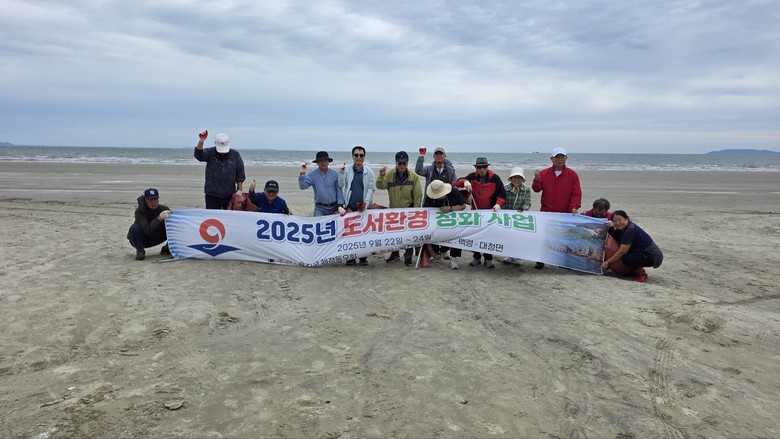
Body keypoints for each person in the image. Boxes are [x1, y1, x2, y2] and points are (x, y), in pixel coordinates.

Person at [531, 147, 582, 268]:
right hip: (547, 211)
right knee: (544, 236)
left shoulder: (572, 175)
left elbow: (576, 193)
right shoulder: (544, 173)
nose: (560, 159)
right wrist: (537, 179)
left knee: (563, 237)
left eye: (562, 157)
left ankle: (562, 261)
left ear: (566, 158)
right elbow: (536, 189)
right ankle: (541, 260)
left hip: (564, 212)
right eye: (557, 157)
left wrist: (574, 207)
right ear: (551, 159)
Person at [455, 157, 506, 268]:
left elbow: (502, 195)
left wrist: (498, 204)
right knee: (475, 235)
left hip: (490, 212)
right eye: (479, 167)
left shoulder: (495, 178)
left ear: (487, 167)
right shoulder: (471, 177)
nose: (482, 169)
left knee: (489, 236)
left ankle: (488, 258)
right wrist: (465, 181)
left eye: (484, 167)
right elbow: (457, 183)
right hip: (475, 212)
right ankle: (476, 257)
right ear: (476, 168)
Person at [376, 150, 423, 266]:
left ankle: (408, 256)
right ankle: (395, 254)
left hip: (409, 211)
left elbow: (418, 195)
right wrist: (381, 175)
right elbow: (380, 186)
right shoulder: (389, 175)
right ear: (396, 163)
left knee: (408, 236)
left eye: (404, 163)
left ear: (407, 163)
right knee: (394, 235)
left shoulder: (413, 177)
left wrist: (416, 211)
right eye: (400, 163)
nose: (402, 165)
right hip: (394, 211)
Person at [416, 146, 457, 259]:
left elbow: (454, 183)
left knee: (445, 227)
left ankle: (444, 250)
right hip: (430, 202)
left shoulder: (450, 170)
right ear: (433, 157)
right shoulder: (429, 169)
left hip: (445, 202)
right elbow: (418, 170)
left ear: (445, 156)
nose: (439, 156)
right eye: (437, 154)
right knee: (431, 227)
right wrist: (421, 156)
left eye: (441, 154)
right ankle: (433, 251)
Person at [599, 210, 663, 282]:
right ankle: (631, 271)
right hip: (639, 252)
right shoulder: (622, 229)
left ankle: (642, 274)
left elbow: (622, 252)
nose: (617, 223)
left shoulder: (630, 231)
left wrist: (607, 262)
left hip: (651, 256)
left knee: (626, 258)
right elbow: (615, 236)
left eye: (619, 220)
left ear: (626, 219)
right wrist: (610, 227)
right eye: (615, 221)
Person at [338, 146, 376, 266]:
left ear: (364, 157)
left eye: (361, 155)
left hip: (363, 207)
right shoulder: (347, 169)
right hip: (350, 206)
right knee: (350, 233)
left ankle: (363, 257)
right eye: (356, 155)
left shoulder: (369, 172)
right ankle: (350, 257)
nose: (358, 157)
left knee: (364, 233)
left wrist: (366, 203)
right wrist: (341, 172)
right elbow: (340, 184)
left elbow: (371, 189)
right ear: (352, 156)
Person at [194, 130, 246, 209]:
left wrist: (240, 190)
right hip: (212, 194)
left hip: (230, 194)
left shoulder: (235, 155)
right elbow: (199, 155)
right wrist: (201, 140)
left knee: (228, 215)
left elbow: (240, 174)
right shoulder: (210, 153)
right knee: (213, 215)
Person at [424, 180, 466, 269]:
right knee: (433, 233)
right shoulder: (429, 197)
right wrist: (430, 250)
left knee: (456, 235)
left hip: (453, 220)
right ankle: (437, 253)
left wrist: (450, 208)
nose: (438, 197)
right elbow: (425, 212)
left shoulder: (454, 191)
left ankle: (454, 257)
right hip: (437, 221)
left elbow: (463, 206)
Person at [127, 188, 171, 261]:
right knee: (134, 228)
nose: (153, 202)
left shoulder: (163, 209)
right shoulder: (140, 212)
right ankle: (140, 251)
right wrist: (160, 218)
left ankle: (168, 247)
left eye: (155, 199)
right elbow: (147, 230)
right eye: (150, 200)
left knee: (173, 224)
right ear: (145, 200)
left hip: (159, 237)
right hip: (144, 240)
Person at [298, 151, 345, 216]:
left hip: (335, 208)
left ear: (328, 162)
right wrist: (302, 172)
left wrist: (340, 205)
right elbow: (302, 186)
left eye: (325, 160)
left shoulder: (335, 174)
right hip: (320, 208)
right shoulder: (312, 175)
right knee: (316, 222)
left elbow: (339, 190)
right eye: (320, 161)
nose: (323, 163)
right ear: (317, 163)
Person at [502, 166, 531, 265]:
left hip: (521, 217)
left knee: (520, 237)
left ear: (522, 179)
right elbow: (502, 201)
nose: (517, 180)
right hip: (508, 217)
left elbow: (528, 203)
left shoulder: (526, 189)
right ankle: (509, 255)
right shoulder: (505, 188)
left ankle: (519, 256)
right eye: (514, 177)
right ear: (511, 178)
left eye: (519, 178)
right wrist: (503, 211)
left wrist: (523, 209)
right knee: (509, 236)